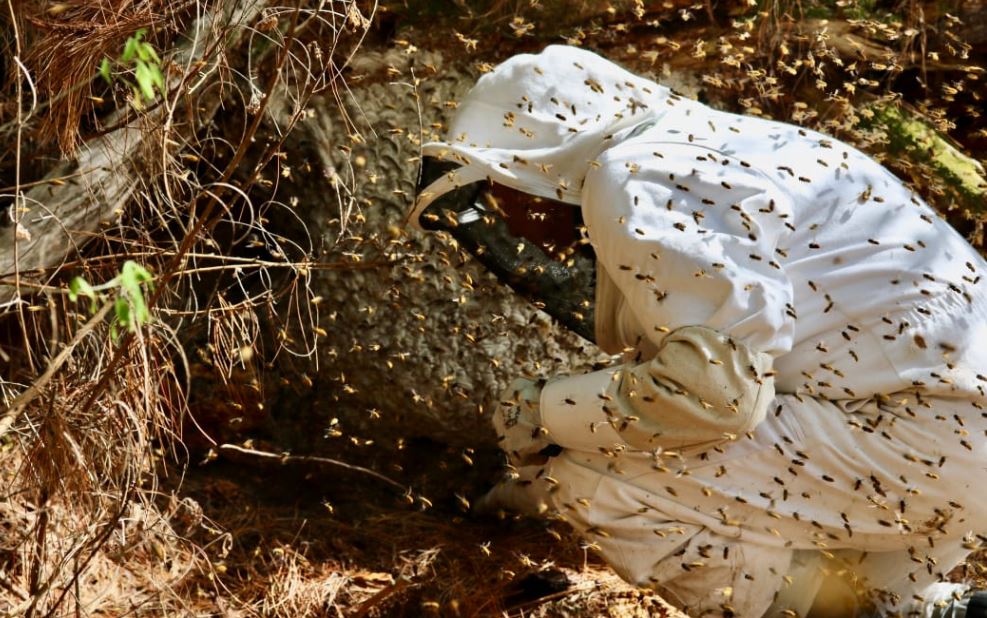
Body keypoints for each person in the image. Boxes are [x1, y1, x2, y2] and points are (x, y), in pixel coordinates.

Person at [410, 45, 987, 617]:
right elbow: (748, 362)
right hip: (936, 442)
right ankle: (912, 605)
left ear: (534, 170)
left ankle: (825, 611)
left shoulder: (634, 175)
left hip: (923, 439)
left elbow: (716, 396)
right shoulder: (713, 146)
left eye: (496, 191)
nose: (505, 217)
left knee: (586, 473)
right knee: (893, 604)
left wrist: (541, 413)